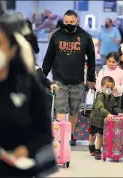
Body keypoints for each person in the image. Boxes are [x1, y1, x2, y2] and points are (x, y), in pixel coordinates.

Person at [0, 21, 56, 177]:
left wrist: (27, 149)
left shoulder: (28, 86)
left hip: (16, 171)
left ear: (12, 49)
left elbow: (43, 134)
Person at [42, 10, 96, 146]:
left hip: (78, 80)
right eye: (66, 22)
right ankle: (61, 136)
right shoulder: (56, 36)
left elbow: (92, 59)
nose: (69, 24)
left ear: (76, 21)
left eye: (71, 22)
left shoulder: (85, 37)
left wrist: (91, 78)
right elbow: (48, 57)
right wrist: (43, 76)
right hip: (59, 80)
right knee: (60, 109)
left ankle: (71, 135)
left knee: (74, 110)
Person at [89, 76, 122, 160]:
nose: (109, 89)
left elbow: (114, 106)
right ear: (101, 87)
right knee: (92, 134)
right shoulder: (100, 96)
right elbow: (100, 107)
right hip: (95, 118)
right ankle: (91, 146)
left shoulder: (112, 96)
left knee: (100, 134)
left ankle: (98, 151)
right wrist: (107, 114)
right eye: (107, 87)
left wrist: (118, 112)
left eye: (111, 87)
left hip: (103, 120)